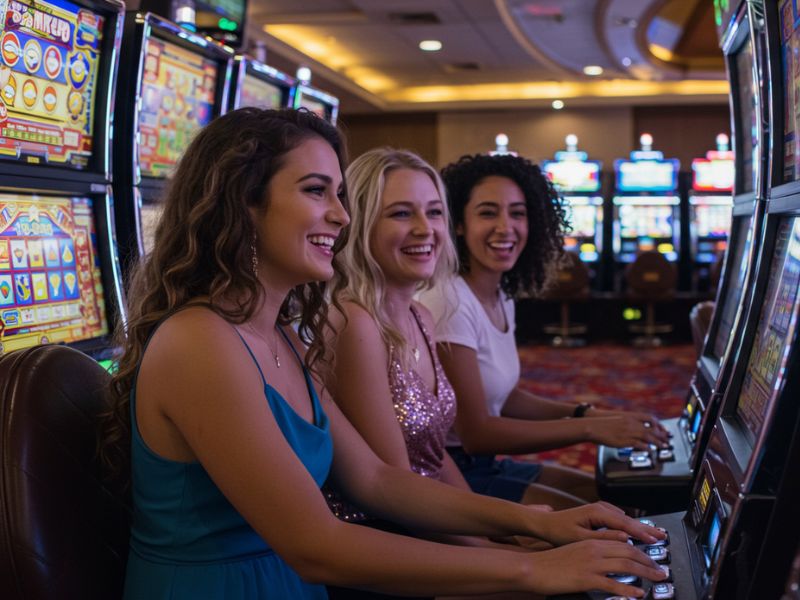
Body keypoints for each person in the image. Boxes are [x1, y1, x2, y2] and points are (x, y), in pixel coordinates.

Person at [100, 108, 667, 600]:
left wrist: (539, 524)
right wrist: (531, 566)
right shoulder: (199, 342)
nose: (342, 217)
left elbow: (375, 479)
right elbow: (316, 545)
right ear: (244, 203)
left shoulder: (280, 334)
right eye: (317, 191)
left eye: (340, 196)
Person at [419, 153, 671, 510]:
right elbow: (477, 433)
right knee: (601, 519)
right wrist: (589, 431)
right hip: (449, 474)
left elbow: (503, 397)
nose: (506, 227)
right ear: (458, 223)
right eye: (488, 212)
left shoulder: (499, 293)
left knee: (622, 495)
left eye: (518, 213)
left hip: (484, 464)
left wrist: (590, 414)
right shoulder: (449, 301)